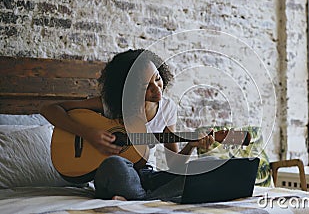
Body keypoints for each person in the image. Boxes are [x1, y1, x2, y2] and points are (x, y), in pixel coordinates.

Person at [40, 49, 214, 201]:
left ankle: (136, 198)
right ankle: (151, 197)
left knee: (207, 166)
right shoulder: (112, 105)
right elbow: (49, 109)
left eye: (158, 78)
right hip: (116, 174)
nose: (157, 88)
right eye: (147, 86)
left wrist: (191, 145)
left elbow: (175, 166)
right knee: (114, 165)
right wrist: (88, 134)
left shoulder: (167, 109)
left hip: (146, 176)